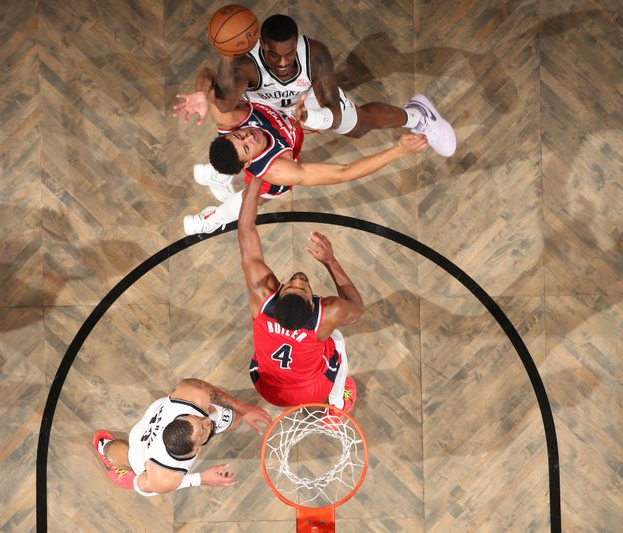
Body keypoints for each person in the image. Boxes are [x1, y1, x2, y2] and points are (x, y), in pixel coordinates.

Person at [178, 13, 456, 204]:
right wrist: (398, 151)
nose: (284, 63)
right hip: (273, 111)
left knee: (356, 126)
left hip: (308, 98)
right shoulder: (244, 70)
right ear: (262, 46)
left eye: (289, 53)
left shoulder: (315, 54)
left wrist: (313, 116)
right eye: (275, 55)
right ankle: (219, 192)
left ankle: (419, 114)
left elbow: (332, 104)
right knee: (265, 189)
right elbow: (342, 173)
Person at [173, 68, 428, 234]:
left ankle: (217, 173)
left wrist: (202, 91)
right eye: (248, 145)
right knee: (256, 198)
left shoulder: (227, 116)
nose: (249, 136)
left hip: (283, 113)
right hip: (280, 148)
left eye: (240, 136)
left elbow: (207, 72)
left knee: (329, 99)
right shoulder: (279, 170)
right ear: (248, 162)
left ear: (230, 131)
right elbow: (343, 172)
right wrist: (397, 151)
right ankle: (214, 218)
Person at [238, 173, 364, 409]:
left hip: (266, 386)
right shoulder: (328, 314)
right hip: (311, 390)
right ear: (315, 304)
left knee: (322, 341)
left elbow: (245, 230)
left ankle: (334, 400)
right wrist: (330, 261)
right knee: (336, 340)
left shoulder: (262, 295)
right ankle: (337, 405)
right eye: (303, 287)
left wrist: (257, 173)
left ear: (279, 292)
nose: (298, 279)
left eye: (291, 285)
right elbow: (357, 310)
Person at [93, 377, 271, 497]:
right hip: (141, 450)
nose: (207, 421)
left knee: (235, 420)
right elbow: (140, 486)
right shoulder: (164, 476)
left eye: (198, 418)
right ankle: (105, 449)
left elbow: (195, 386)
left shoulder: (192, 400)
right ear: (196, 449)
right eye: (202, 429)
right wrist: (201, 479)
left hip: (150, 422)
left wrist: (242, 407)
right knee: (129, 458)